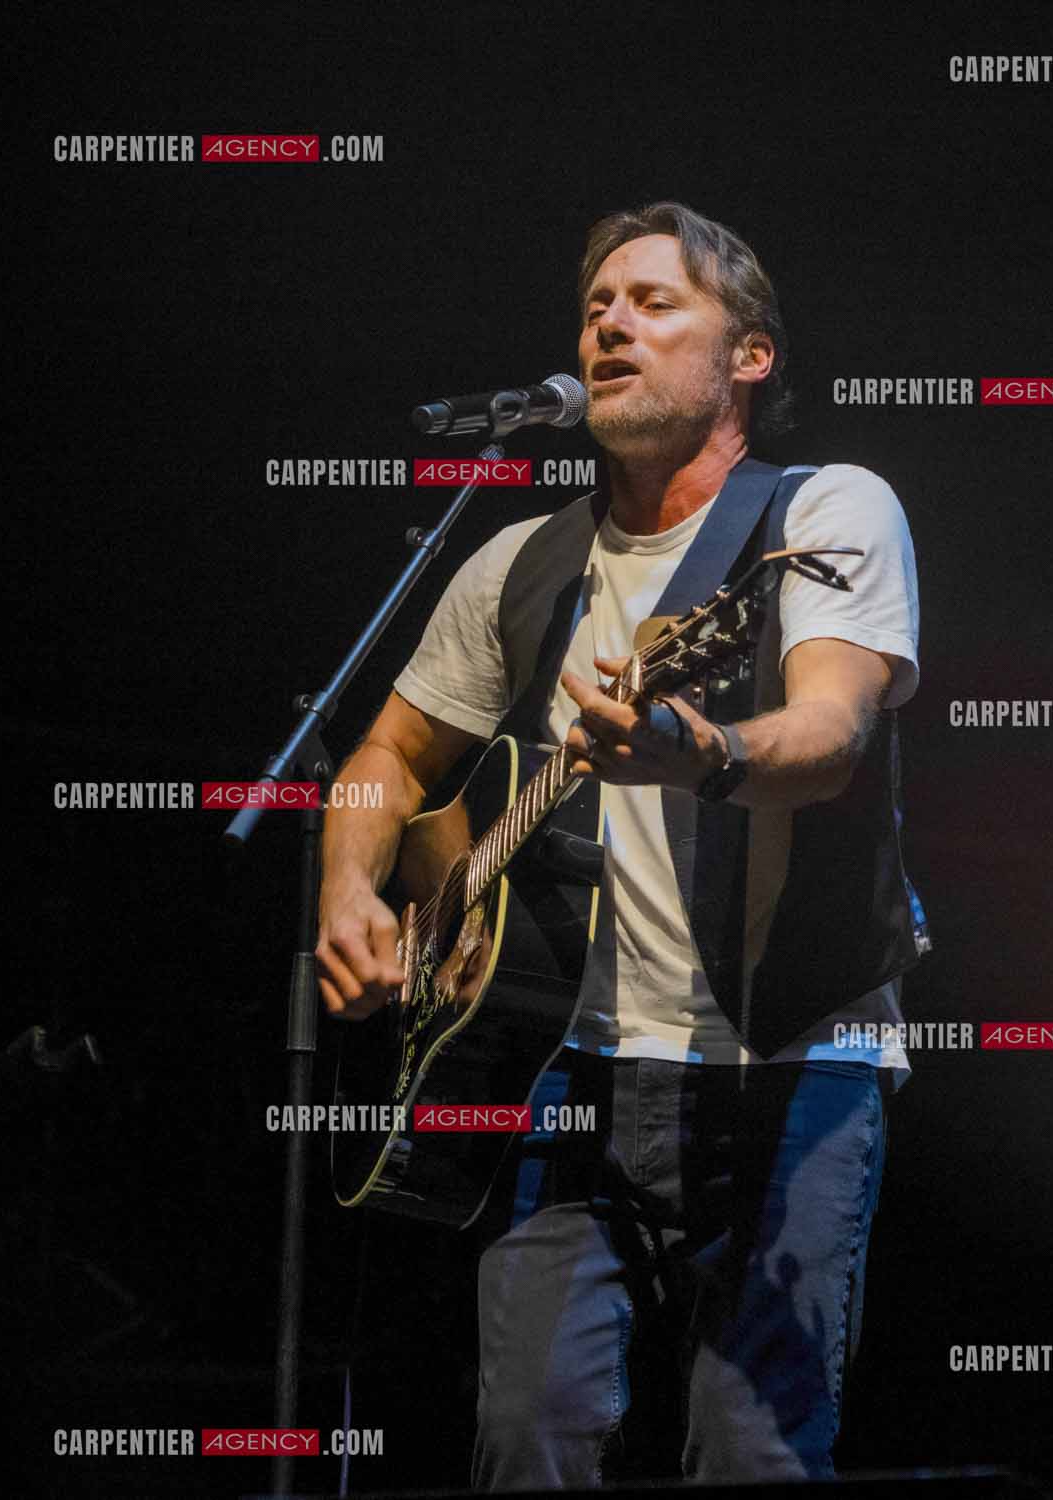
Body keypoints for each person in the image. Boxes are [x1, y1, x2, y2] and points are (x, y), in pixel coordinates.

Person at [313, 200, 929, 1484]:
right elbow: (385, 758)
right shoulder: (521, 558)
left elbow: (832, 728)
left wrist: (704, 752)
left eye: (654, 302)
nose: (610, 325)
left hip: (788, 1069)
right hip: (568, 1069)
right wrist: (351, 889)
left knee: (752, 1456)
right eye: (597, 305)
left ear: (749, 355)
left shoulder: (824, 510)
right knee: (520, 1442)